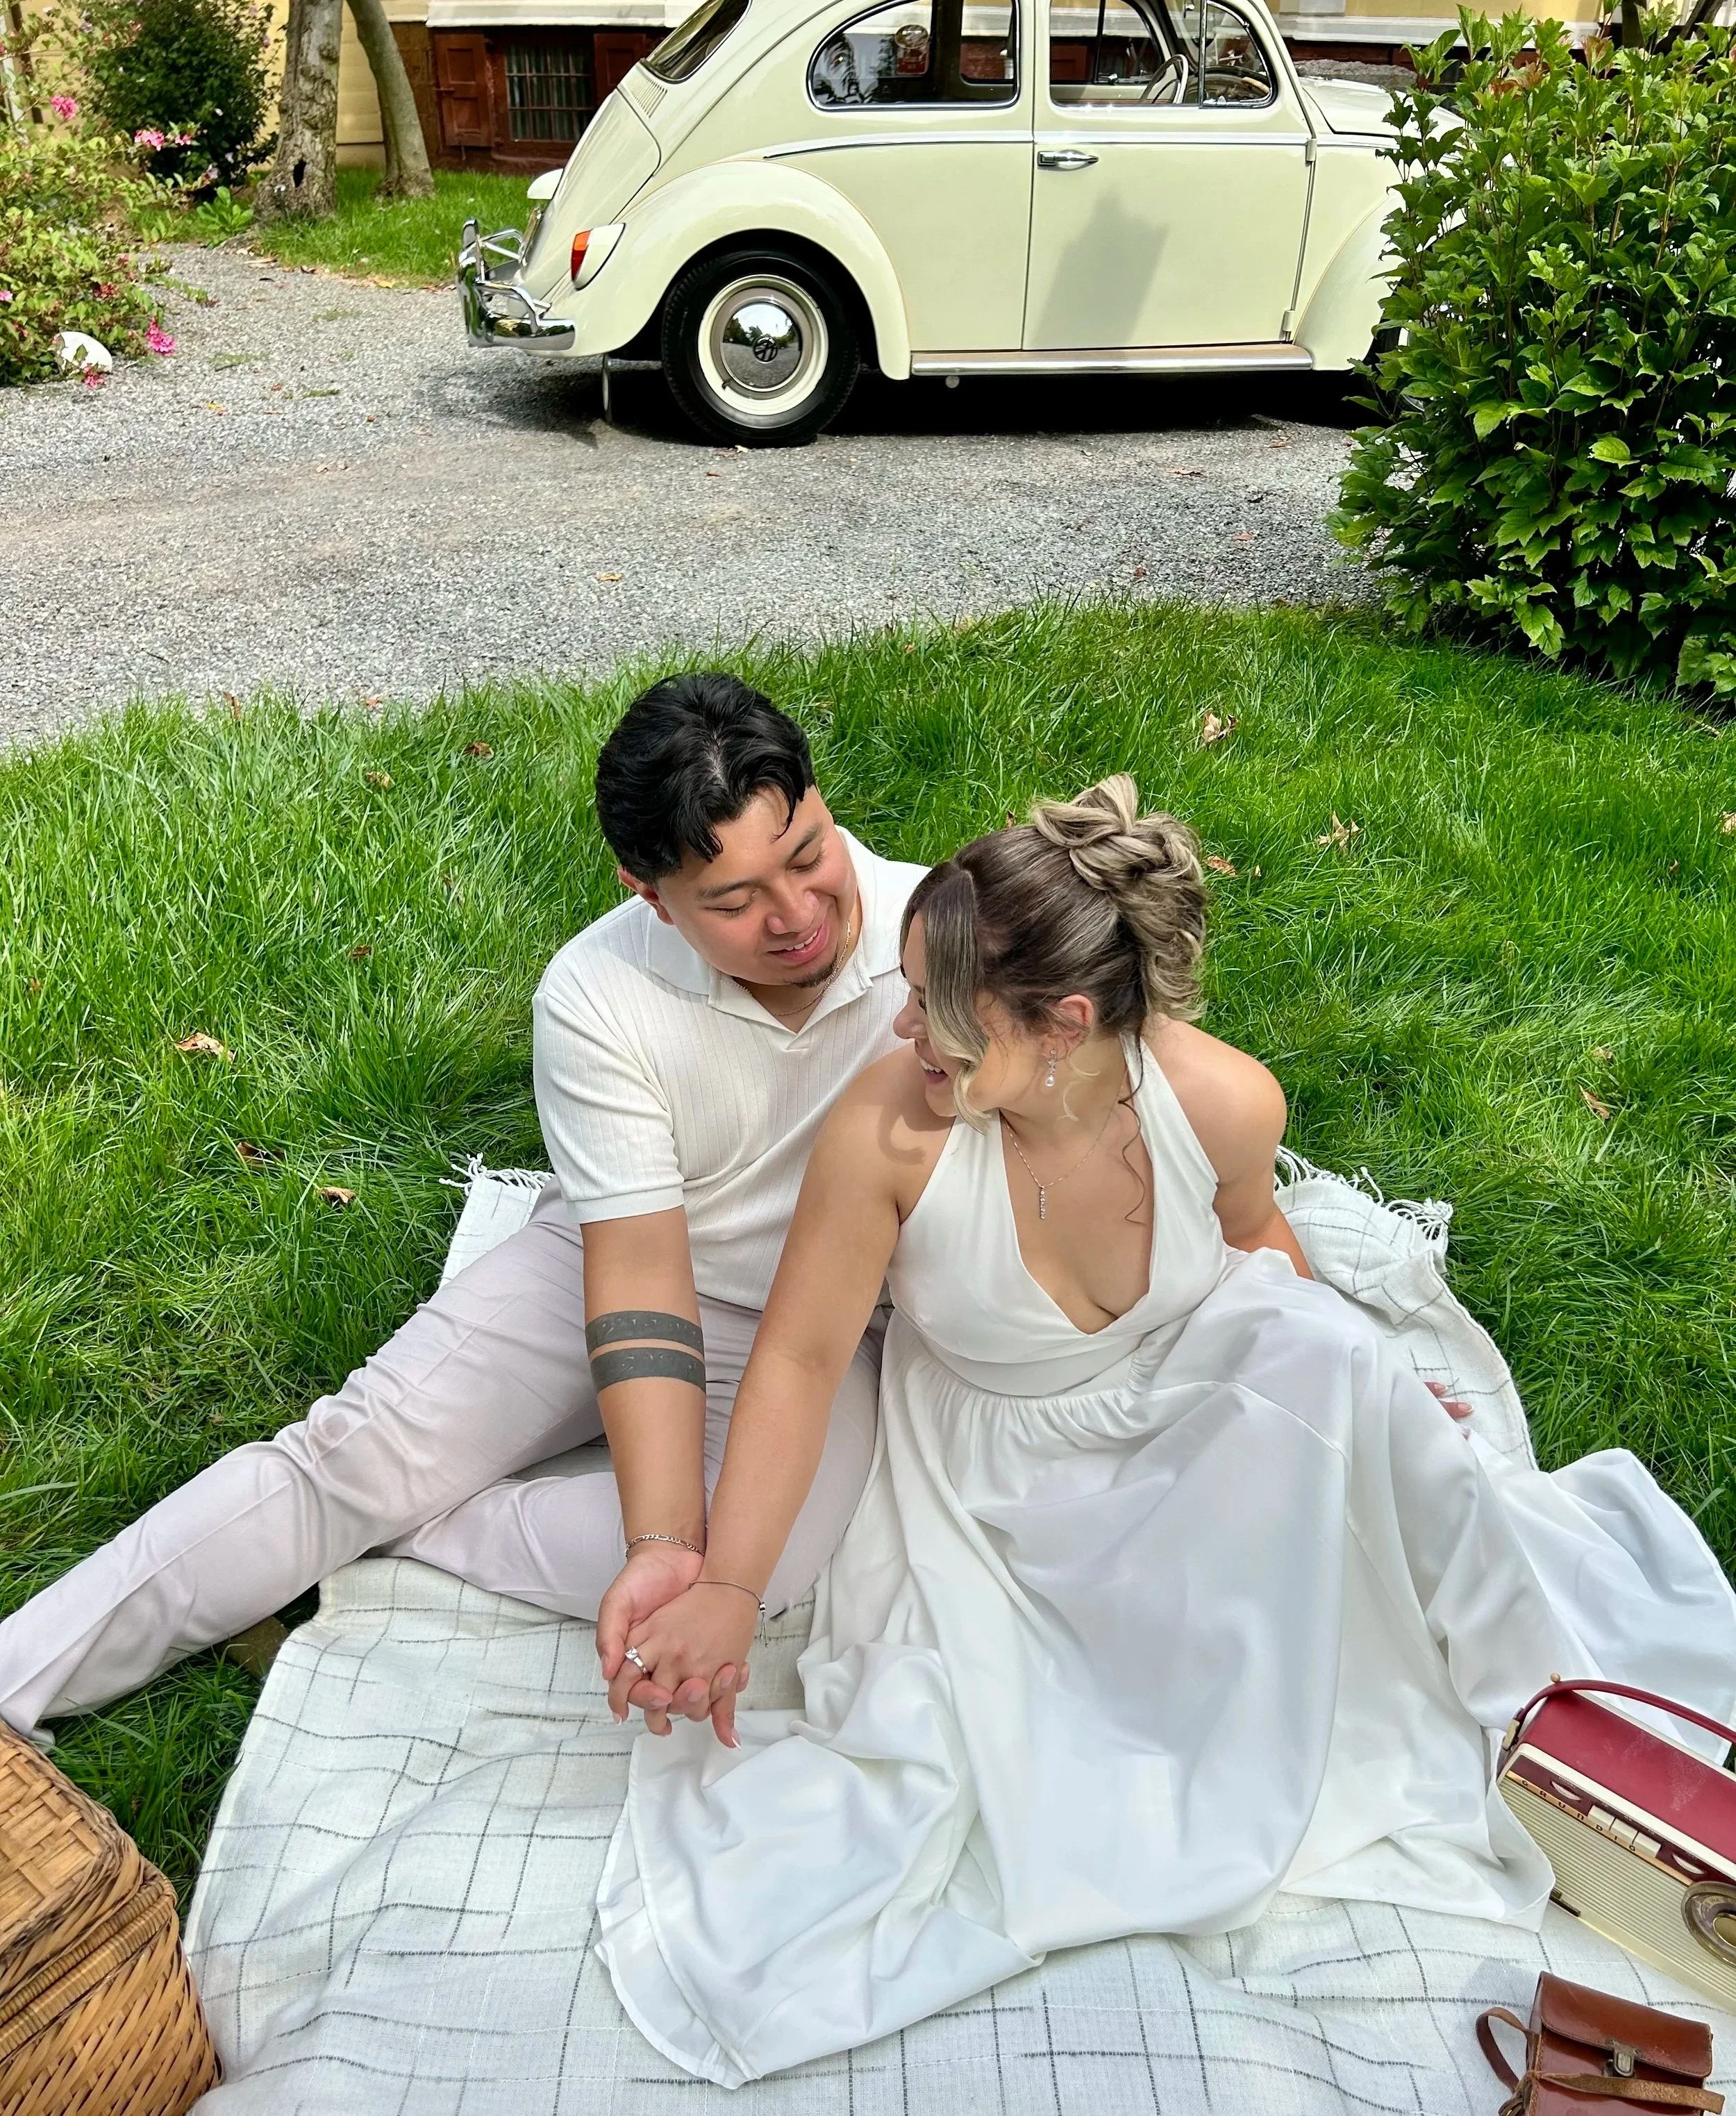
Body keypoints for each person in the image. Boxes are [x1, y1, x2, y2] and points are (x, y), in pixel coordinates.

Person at [594, 776, 1736, 2090]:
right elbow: (797, 1356)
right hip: (1005, 1485)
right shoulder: (892, 1129)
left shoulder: (1223, 1102)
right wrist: (730, 1586)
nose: (903, 1025)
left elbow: (1255, 1244)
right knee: (1082, 1764)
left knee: (1333, 1351)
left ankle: (1551, 1732)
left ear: (1068, 1024)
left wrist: (1374, 1419)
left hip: (1196, 1414)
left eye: (935, 1006)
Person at [0, 674, 927, 1740]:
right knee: (346, 1459)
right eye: (734, 900)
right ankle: (16, 1685)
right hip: (613, 1260)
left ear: (819, 802)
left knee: (764, 1561)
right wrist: (655, 1531)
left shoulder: (939, 933)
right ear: (650, 895)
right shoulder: (594, 994)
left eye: (807, 854)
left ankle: (420, 1530)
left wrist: (680, 1552)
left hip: (815, 1325)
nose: (800, 916)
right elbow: (638, 1275)